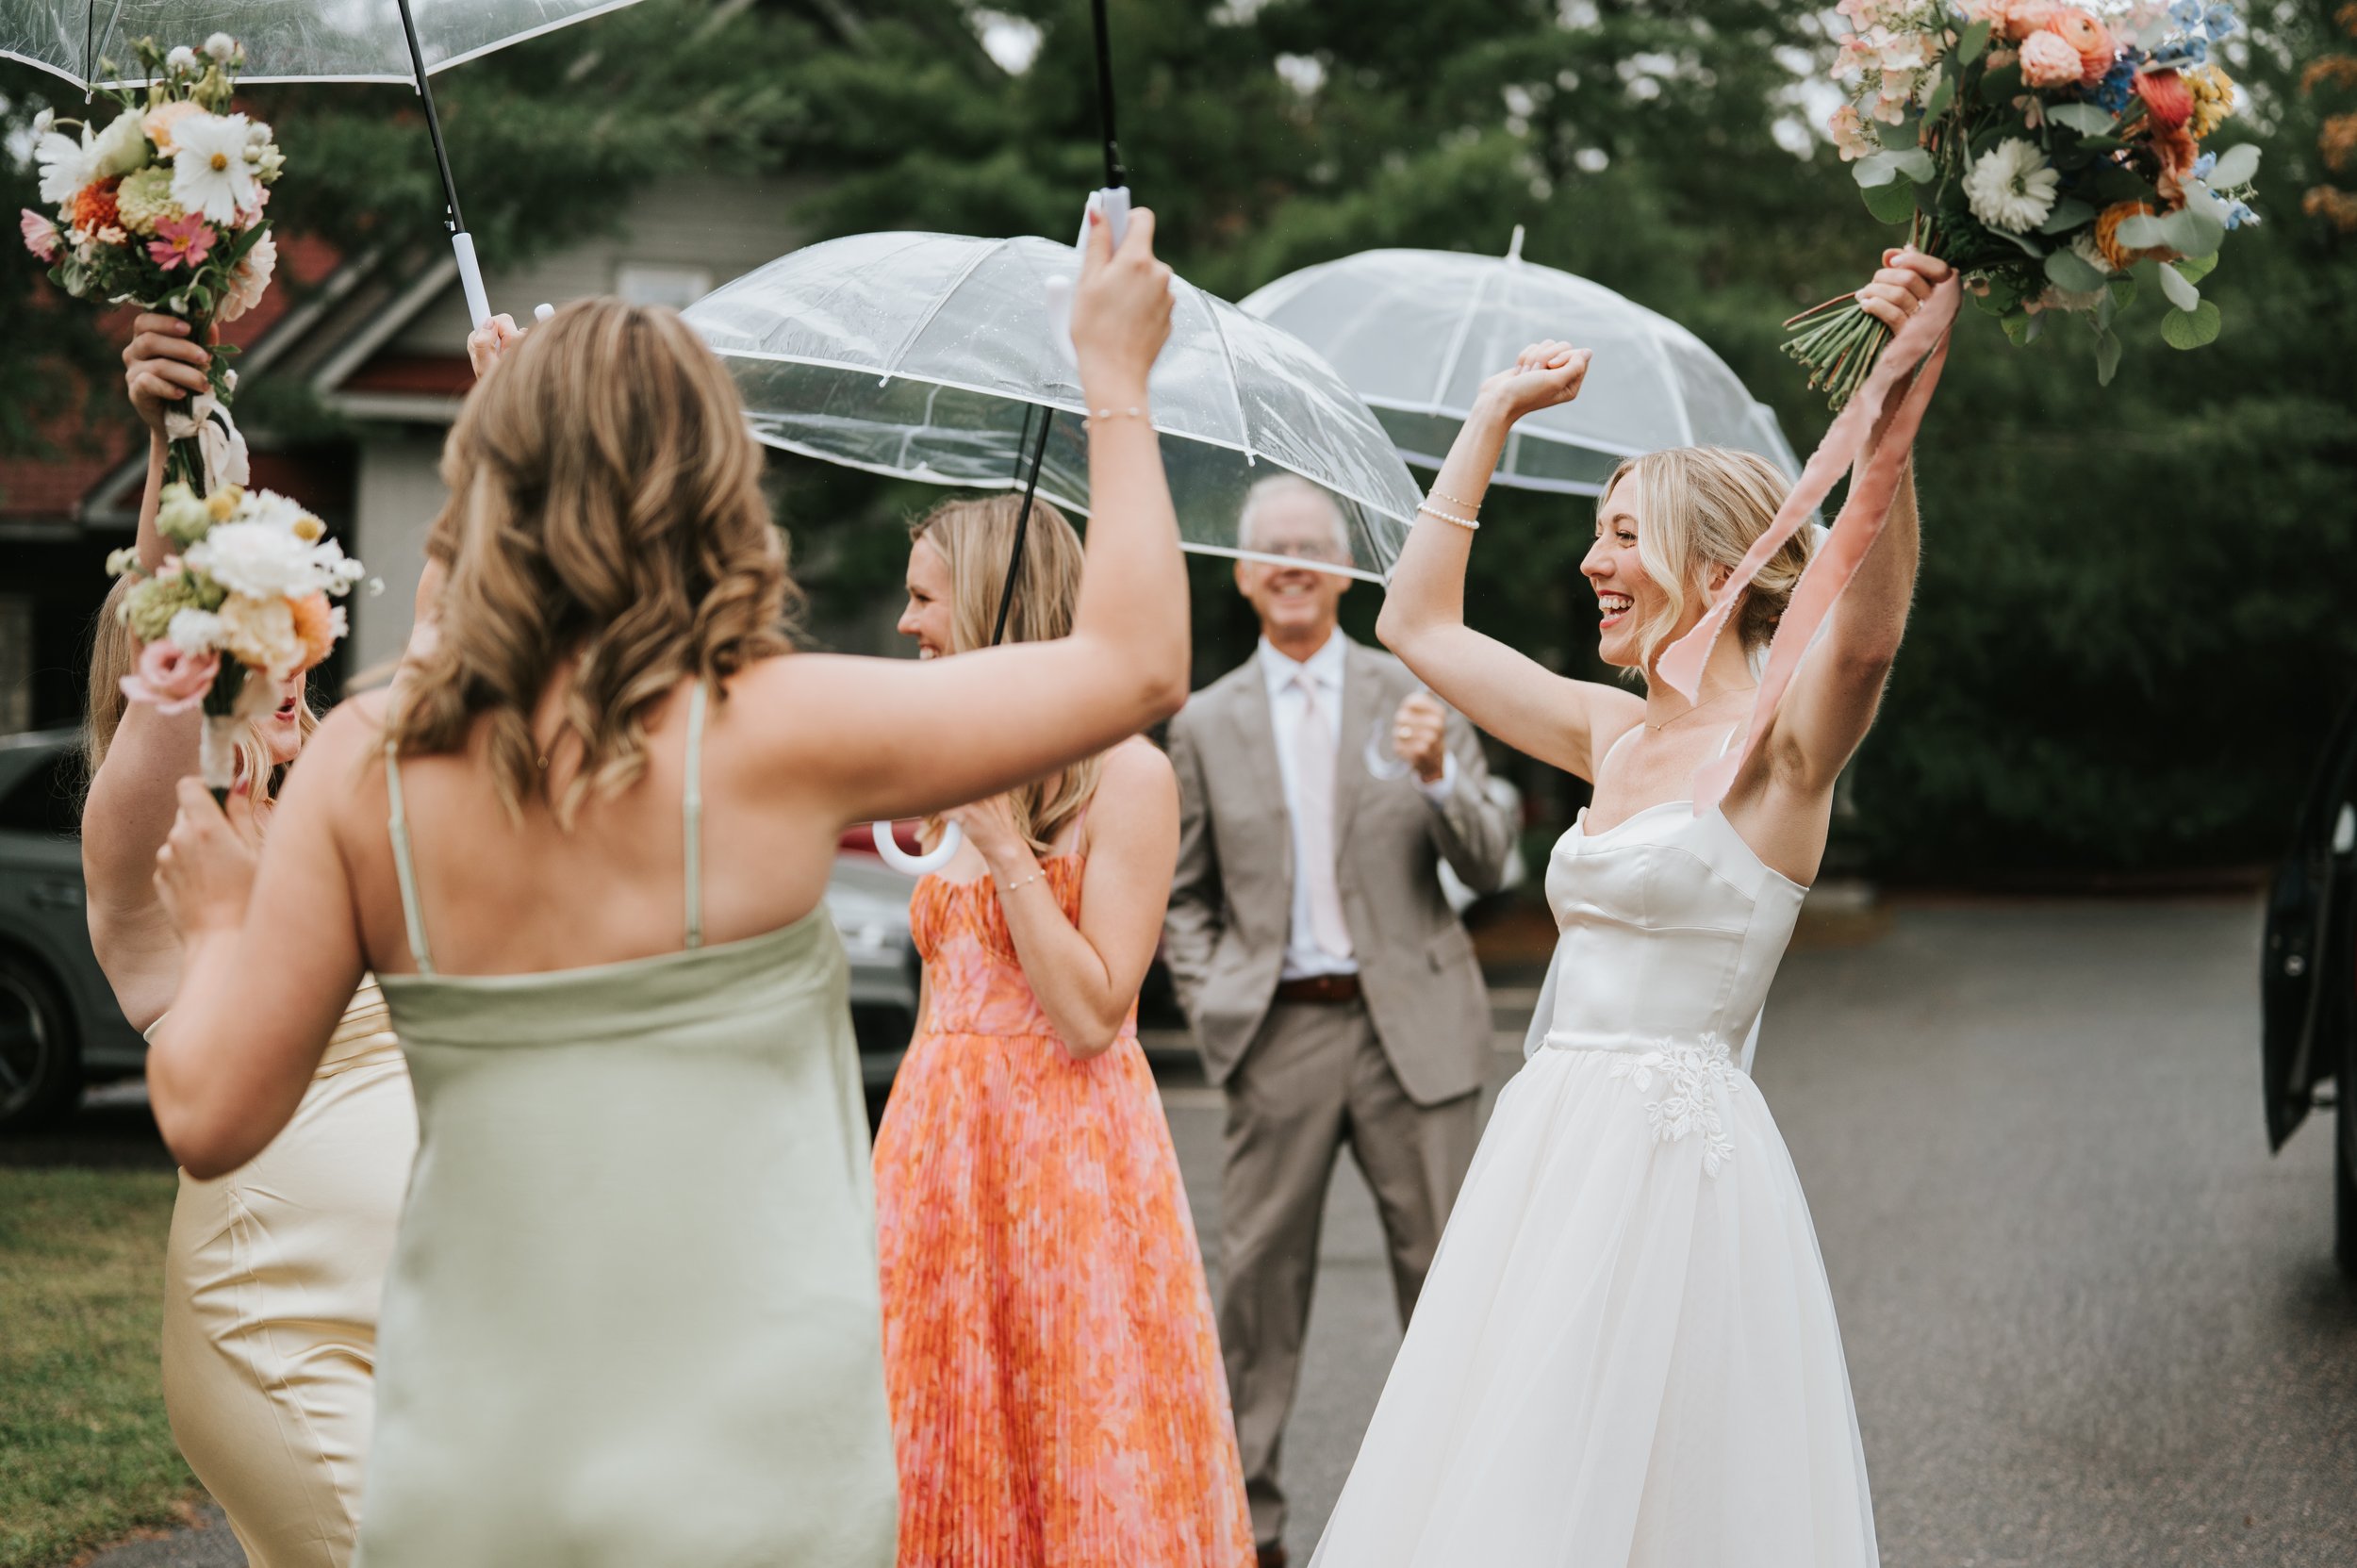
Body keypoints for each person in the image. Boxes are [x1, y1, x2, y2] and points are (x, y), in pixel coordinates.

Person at [140, 206, 1190, 1568]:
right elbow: (1136, 664)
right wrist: (1112, 374)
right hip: (757, 1479)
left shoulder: (363, 764)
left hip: (479, 1469)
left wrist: (223, 927)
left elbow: (209, 1115)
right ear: (714, 488)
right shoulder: (779, 731)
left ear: (486, 492)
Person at [1310, 248, 1953, 1565]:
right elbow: (1418, 624)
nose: (1591, 559)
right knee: (1513, 1479)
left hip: (1677, 1172)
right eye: (1595, 530)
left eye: (1621, 532)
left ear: (1718, 560)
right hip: (1545, 1145)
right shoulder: (1610, 733)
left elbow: (1870, 634)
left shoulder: (1778, 752)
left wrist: (1900, 394)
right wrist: (1487, 420)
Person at [79, 314, 418, 1568]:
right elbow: (177, 652)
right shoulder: (149, 837)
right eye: (240, 639)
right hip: (277, 1310)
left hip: (432, 1301)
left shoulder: (344, 808)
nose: (277, 657)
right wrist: (180, 436)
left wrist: (513, 434)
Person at [872, 494, 1255, 1567]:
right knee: (935, 1426)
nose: (906, 625)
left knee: (1073, 1432)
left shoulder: (1128, 774)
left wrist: (1003, 847)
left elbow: (1092, 1012)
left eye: (923, 598)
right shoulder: (942, 755)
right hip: (936, 1153)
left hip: (1066, 1162)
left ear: (997, 605)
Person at [1161, 475, 1515, 1567]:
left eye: (1312, 544)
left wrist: (1440, 775)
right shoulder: (1202, 721)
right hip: (1278, 1035)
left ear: (1343, 566)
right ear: (1241, 570)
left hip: (1416, 1027)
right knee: (1255, 1296)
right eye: (1271, 547)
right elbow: (1182, 893)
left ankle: (1473, 1519)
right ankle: (1249, 1531)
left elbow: (1489, 856)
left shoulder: (1416, 687)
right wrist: (1218, 995)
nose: (1293, 562)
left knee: (1452, 1284)